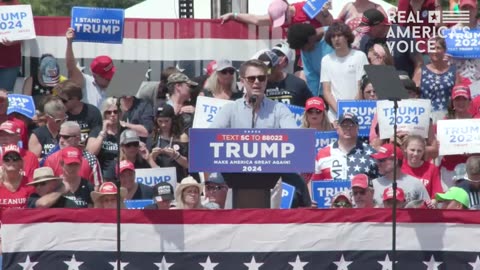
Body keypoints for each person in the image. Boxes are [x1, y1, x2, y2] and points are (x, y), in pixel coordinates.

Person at [210, 59, 297, 129]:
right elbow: (209, 137)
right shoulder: (230, 109)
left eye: (261, 78)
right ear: (242, 81)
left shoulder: (279, 109)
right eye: (251, 78)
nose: (257, 82)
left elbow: (295, 137)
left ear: (266, 80)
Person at [320, 22, 368, 120]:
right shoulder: (326, 60)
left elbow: (361, 87)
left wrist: (352, 111)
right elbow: (326, 91)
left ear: (346, 37)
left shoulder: (359, 56)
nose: (336, 39)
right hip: (335, 115)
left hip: (357, 113)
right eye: (333, 37)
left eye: (339, 35)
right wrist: (340, 112)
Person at [311, 113, 378, 181]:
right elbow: (314, 184)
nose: (348, 128)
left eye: (351, 125)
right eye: (344, 125)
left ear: (357, 128)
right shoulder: (322, 154)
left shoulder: (371, 153)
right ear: (337, 128)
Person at [359, 9, 423, 78]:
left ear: (380, 25)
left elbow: (419, 63)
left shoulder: (403, 35)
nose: (366, 32)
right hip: (377, 82)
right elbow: (362, 67)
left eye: (369, 29)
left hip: (403, 81)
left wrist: (414, 84)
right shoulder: (365, 40)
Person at [65, 28, 116, 108]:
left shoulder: (107, 88)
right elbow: (71, 68)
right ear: (95, 75)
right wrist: (69, 43)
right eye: (105, 77)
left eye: (110, 76)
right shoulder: (86, 82)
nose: (109, 79)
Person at [43, 121, 103, 188]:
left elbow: (97, 187)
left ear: (77, 139)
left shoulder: (90, 159)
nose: (61, 140)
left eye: (66, 137)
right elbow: (46, 188)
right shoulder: (51, 159)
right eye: (59, 136)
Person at [413, 37, 459, 122]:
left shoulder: (454, 71)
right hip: (426, 116)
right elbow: (413, 95)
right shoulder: (421, 71)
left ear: (444, 50)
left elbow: (458, 95)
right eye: (432, 48)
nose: (435, 51)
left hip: (448, 116)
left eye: (438, 48)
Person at [438, 85, 472, 187]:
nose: (461, 102)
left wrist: (472, 153)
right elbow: (439, 147)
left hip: (472, 170)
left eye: (464, 99)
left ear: (469, 101)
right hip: (449, 169)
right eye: (457, 99)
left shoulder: (477, 122)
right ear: (452, 102)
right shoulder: (445, 122)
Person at [220, 0, 332, 31]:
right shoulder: (277, 14)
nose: (282, 23)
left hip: (318, 48)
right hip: (301, 53)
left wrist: (325, 13)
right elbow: (256, 19)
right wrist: (233, 15)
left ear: (288, 10)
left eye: (283, 20)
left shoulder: (307, 8)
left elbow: (329, 25)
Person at [287, 24, 334, 96]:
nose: (304, 50)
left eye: (303, 47)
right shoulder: (305, 51)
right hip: (326, 92)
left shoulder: (334, 34)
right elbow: (311, 77)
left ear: (310, 38)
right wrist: (315, 98)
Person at [149, 104, 190, 181]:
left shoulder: (181, 137)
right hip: (158, 178)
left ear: (172, 120)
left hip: (178, 179)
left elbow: (188, 164)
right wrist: (153, 156)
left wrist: (176, 156)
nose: (163, 125)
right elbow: (147, 163)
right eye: (160, 121)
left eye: (166, 121)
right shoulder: (153, 137)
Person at [54, 80, 103, 145]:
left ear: (75, 98)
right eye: (57, 99)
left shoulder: (92, 112)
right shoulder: (59, 113)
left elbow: (94, 139)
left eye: (63, 100)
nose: (59, 103)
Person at [86, 97, 120, 176]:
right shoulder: (97, 130)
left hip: (121, 173)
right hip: (102, 173)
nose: (112, 115)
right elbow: (91, 153)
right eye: (108, 112)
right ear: (104, 114)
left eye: (115, 112)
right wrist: (103, 132)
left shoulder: (124, 130)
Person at [0, 144, 34, 208]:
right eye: (7, 159)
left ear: (21, 163)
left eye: (15, 158)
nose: (11, 161)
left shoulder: (30, 183)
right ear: (3, 163)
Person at [0, 0, 21, 92]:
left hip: (10, 63)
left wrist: (14, 41)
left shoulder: (18, 5)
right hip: (10, 63)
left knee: (6, 97)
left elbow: (26, 33)